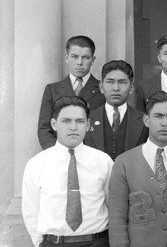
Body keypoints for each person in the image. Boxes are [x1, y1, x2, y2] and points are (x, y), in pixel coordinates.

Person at [109, 91, 167, 247]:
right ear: (146, 120)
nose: (165, 123)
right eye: (158, 116)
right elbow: (117, 218)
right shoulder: (124, 162)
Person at [23, 96, 113, 247]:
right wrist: (41, 243)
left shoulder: (103, 162)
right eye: (66, 121)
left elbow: (113, 204)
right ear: (54, 124)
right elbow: (31, 210)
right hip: (54, 243)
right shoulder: (37, 164)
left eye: (80, 121)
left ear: (88, 124)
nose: (73, 127)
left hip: (97, 242)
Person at [38, 35, 105, 149]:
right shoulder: (52, 89)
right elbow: (44, 128)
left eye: (85, 57)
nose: (79, 62)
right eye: (74, 57)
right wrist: (57, 152)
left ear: (93, 60)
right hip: (60, 156)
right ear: (66, 58)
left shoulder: (103, 89)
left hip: (93, 156)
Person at [84, 60, 148, 160]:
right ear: (101, 87)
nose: (116, 88)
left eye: (122, 82)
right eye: (110, 82)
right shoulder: (86, 120)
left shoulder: (145, 121)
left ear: (131, 87)